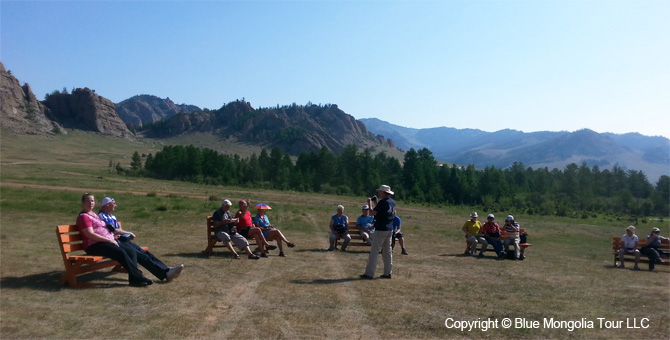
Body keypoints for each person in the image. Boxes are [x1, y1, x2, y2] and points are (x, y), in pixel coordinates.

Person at [76, 194, 153, 287]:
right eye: (88, 201)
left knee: (131, 251)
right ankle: (138, 277)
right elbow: (90, 234)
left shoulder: (94, 214)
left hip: (106, 242)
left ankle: (134, 279)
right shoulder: (83, 217)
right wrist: (108, 240)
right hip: (94, 245)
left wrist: (114, 235)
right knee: (121, 253)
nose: (90, 203)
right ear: (83, 203)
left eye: (92, 201)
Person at [99, 197, 184, 281]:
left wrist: (124, 235)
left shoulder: (112, 216)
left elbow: (118, 230)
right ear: (107, 205)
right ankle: (164, 273)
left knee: (145, 253)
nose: (116, 205)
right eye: (114, 203)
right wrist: (127, 233)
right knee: (140, 255)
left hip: (121, 240)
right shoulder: (101, 216)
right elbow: (112, 230)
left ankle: (167, 269)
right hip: (114, 243)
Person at [361, 185, 395, 279]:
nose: (379, 193)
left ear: (383, 192)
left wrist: (369, 203)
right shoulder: (392, 202)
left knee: (374, 252)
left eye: (380, 191)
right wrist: (376, 203)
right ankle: (387, 273)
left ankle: (369, 274)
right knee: (387, 252)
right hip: (389, 229)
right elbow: (382, 211)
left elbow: (372, 213)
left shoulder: (382, 202)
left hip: (380, 229)